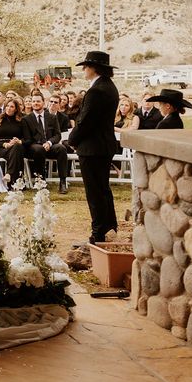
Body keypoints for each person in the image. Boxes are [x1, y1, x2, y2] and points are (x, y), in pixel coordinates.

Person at [67, 51, 120, 245]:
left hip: (93, 148)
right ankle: (109, 227)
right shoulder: (109, 87)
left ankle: (98, 233)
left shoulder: (97, 91)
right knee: (103, 189)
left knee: (95, 192)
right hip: (102, 145)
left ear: (94, 68)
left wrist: (71, 140)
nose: (83, 69)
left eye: (86, 66)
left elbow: (86, 121)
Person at [21, 93, 70, 192]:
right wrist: (41, 143)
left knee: (61, 148)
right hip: (34, 147)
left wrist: (49, 143)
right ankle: (41, 180)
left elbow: (57, 135)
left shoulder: (51, 117)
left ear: (43, 102)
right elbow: (27, 138)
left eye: (38, 101)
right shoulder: (26, 119)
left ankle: (63, 182)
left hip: (49, 145)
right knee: (39, 149)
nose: (35, 103)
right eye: (33, 101)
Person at [0, 98, 25, 187]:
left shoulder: (21, 121)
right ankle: (16, 181)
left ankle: (9, 174)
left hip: (16, 146)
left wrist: (19, 141)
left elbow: (28, 138)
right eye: (7, 106)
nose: (9, 108)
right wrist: (5, 144)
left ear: (16, 109)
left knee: (16, 148)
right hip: (2, 148)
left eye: (12, 107)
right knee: (16, 152)